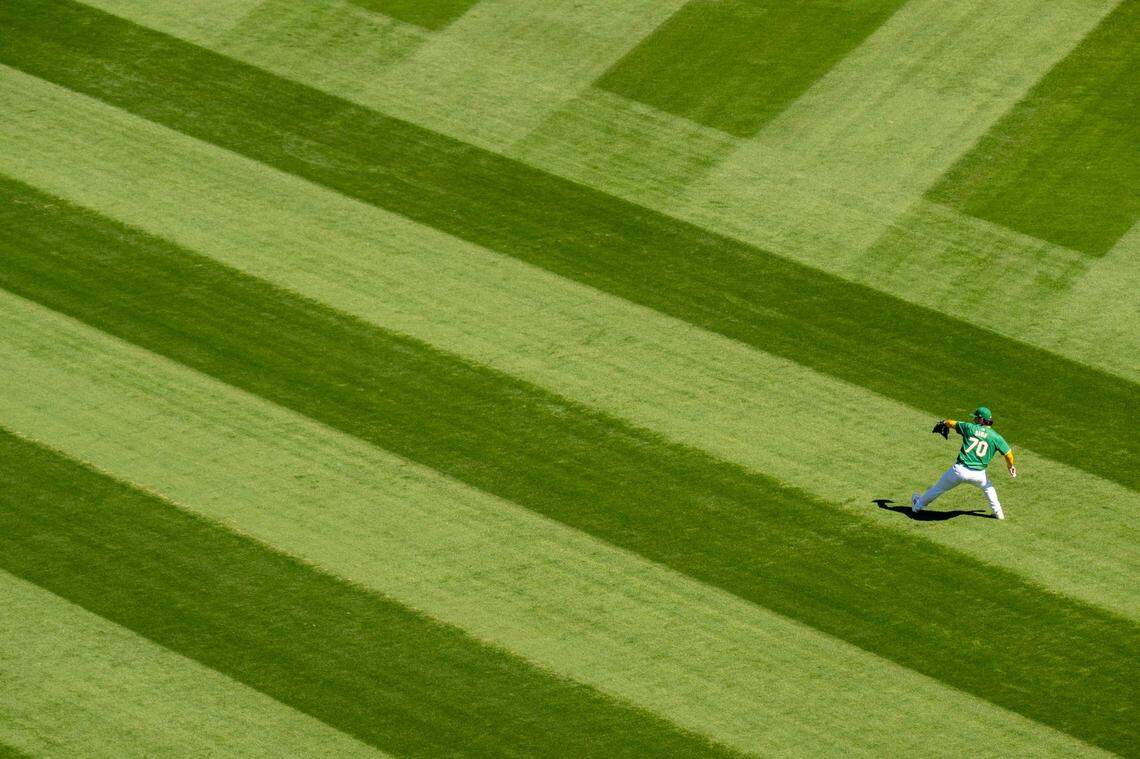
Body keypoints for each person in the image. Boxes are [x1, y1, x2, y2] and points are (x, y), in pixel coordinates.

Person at [912, 406, 1016, 520]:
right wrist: (1010, 466)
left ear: (981, 420)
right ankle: (998, 513)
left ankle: (917, 506)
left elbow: (952, 423)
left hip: (959, 471)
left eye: (976, 418)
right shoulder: (996, 437)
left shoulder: (969, 428)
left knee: (938, 488)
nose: (973, 420)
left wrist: (945, 422)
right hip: (979, 475)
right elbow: (1008, 454)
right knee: (988, 488)